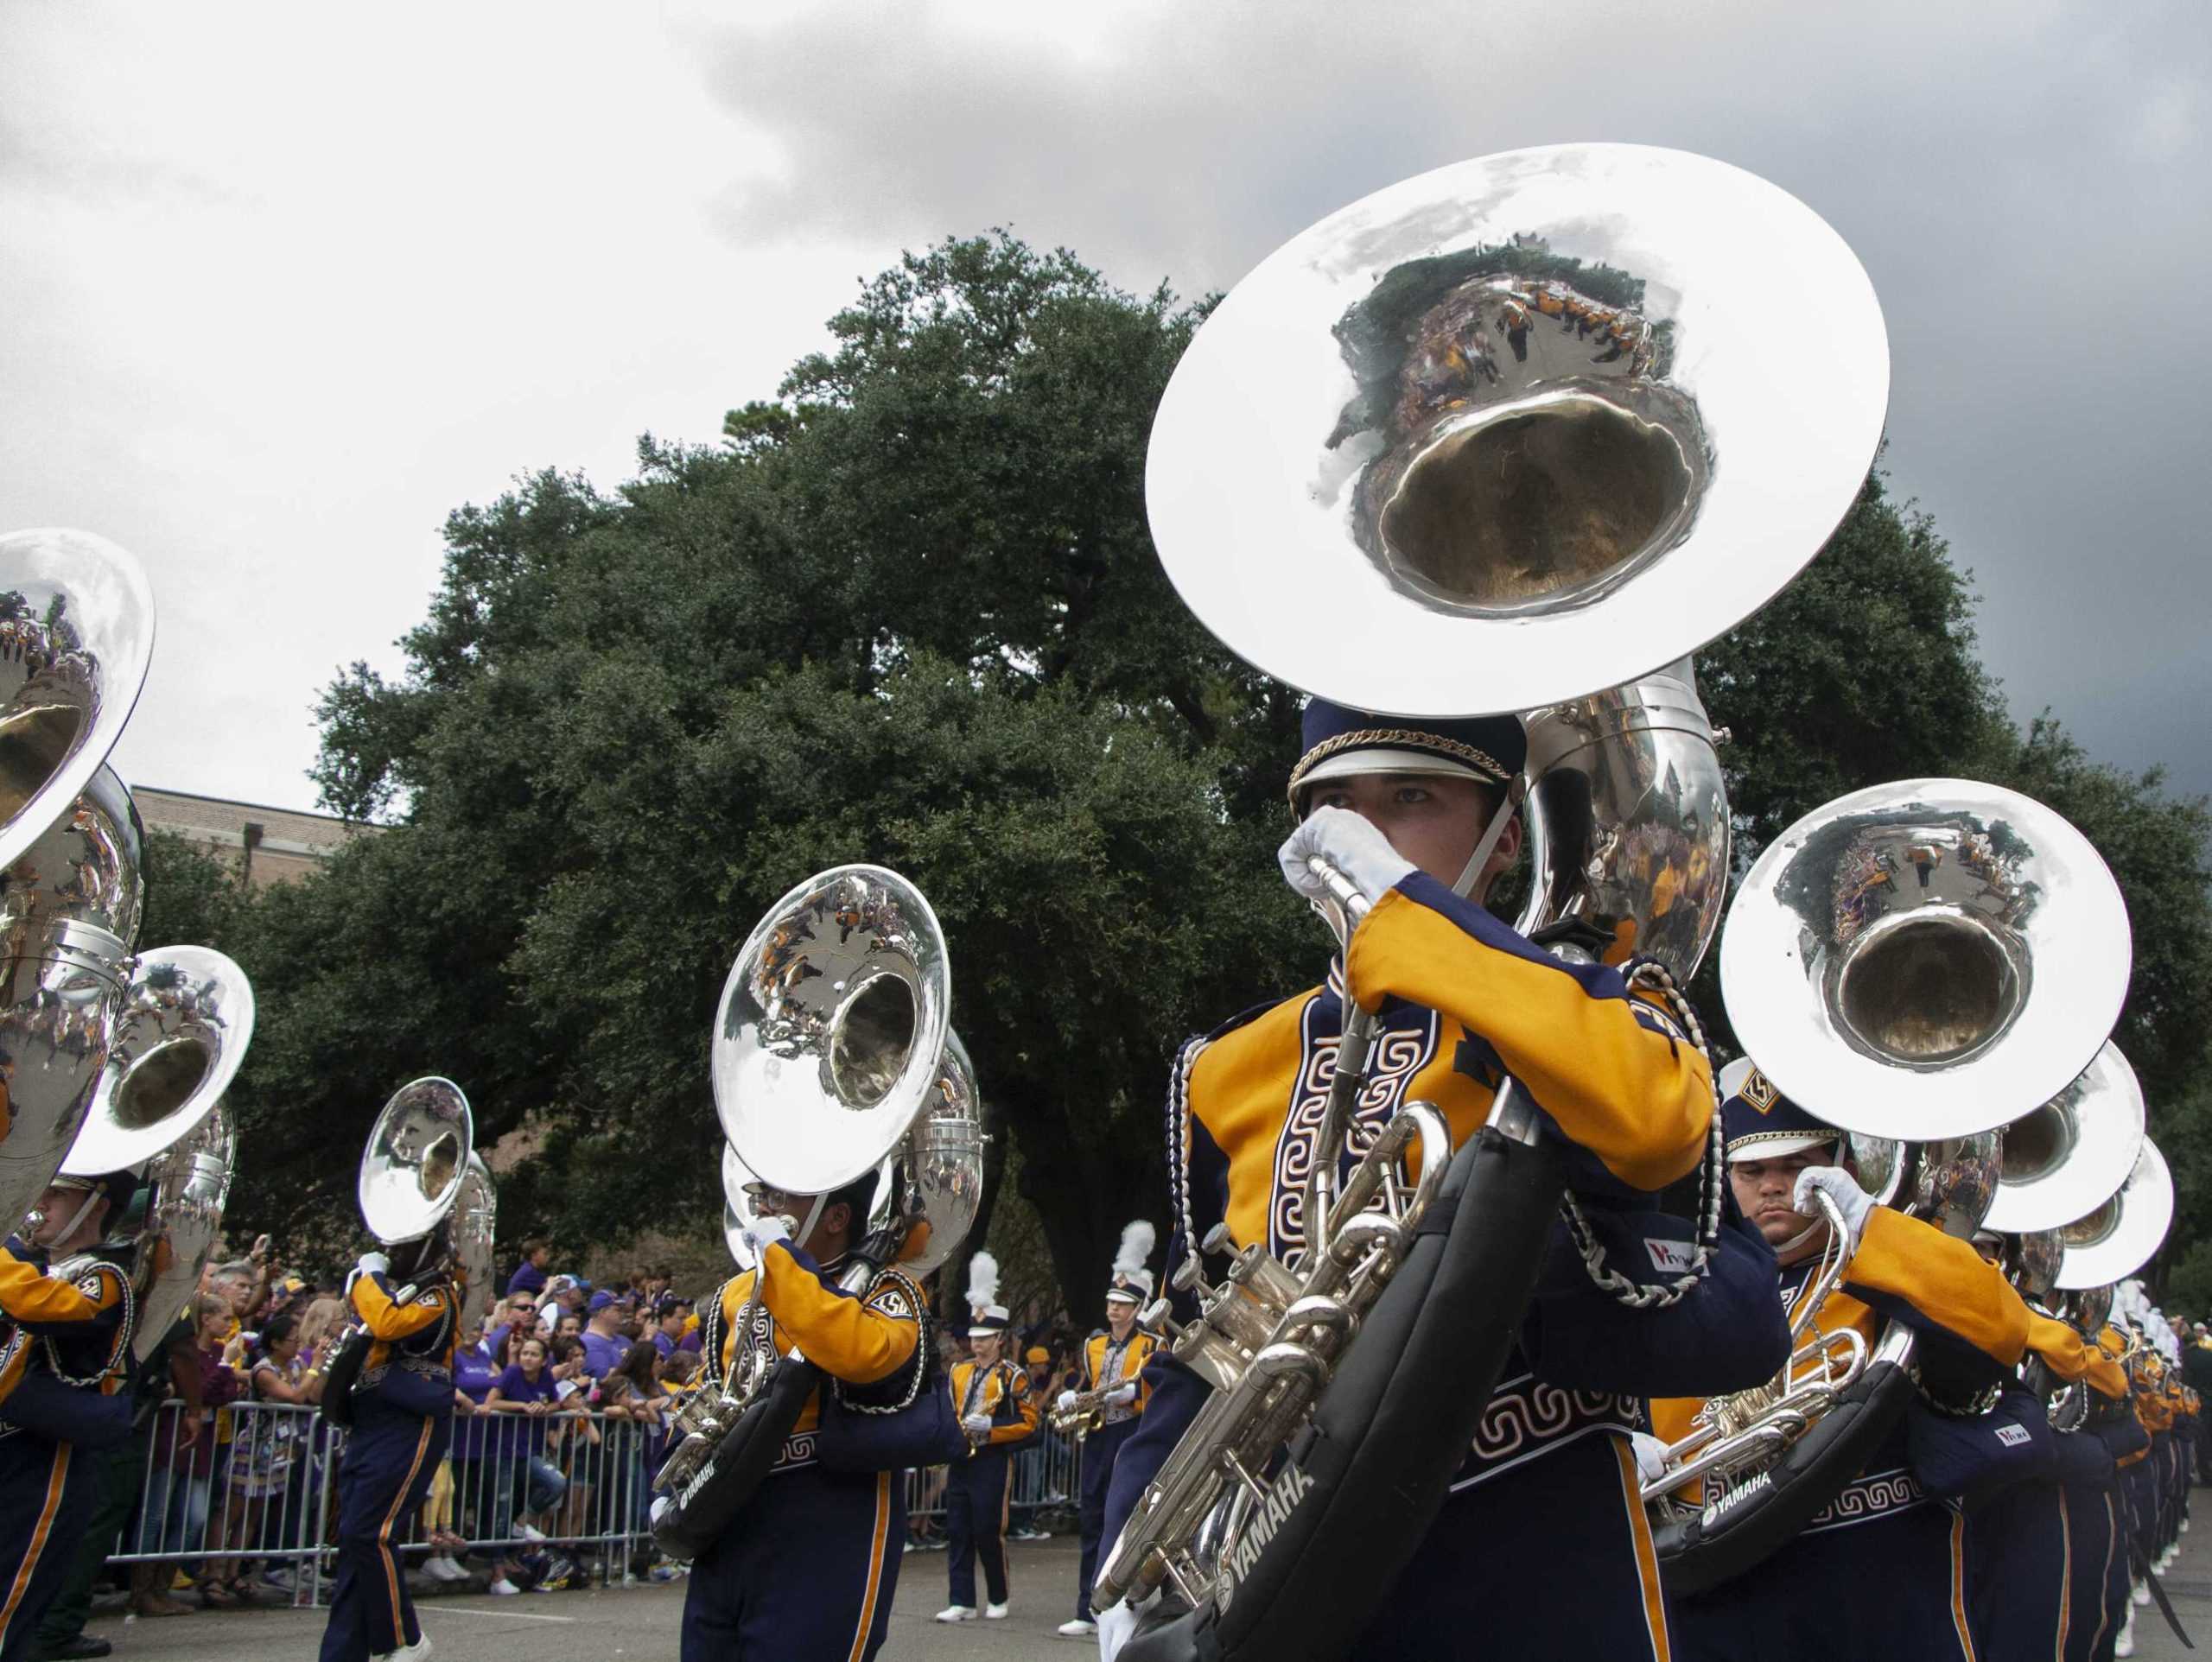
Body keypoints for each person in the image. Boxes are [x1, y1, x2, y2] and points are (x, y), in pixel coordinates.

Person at [1100, 703, 1783, 1660]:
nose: (1359, 835)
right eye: (1332, 803)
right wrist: (1129, 1544)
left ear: (1505, 834)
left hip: (1531, 1568)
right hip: (1274, 1580)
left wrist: (1485, 1272)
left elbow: (1745, 1318)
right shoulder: (1223, 1068)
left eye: (1410, 797)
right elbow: (1202, 1350)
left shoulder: (1591, 1014)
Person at [1657, 1069, 2037, 1662]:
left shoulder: (1883, 1268)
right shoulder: (1692, 1285)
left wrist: (1870, 1227)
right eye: (1751, 1171)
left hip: (1870, 1585)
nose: (1773, 1187)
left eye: (1795, 1165)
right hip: (1722, 1594)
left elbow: (2002, 1327)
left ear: (1841, 1166)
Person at [677, 1172, 922, 1662]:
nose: (764, 1206)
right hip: (732, 1513)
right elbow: (707, 1395)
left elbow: (856, 1351)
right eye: (764, 1194)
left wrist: (781, 1259)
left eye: (782, 1196)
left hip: (827, 1519)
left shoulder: (887, 1290)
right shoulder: (737, 1293)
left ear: (837, 1217)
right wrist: (674, 1483)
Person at [0, 1170, 138, 1660]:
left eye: (56, 1194)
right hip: (12, 1450)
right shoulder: (31, 1266)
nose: (40, 1201)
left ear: (96, 1205)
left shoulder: (105, 1276)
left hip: (47, 1464)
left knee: (7, 1608)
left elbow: (35, 1307)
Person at [315, 1230, 460, 1662]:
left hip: (408, 1420)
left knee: (371, 1534)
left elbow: (387, 1324)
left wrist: (369, 1279)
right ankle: (341, 1655)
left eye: (403, 1245)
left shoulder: (438, 1296)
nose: (391, 1252)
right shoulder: (402, 1294)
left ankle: (406, 1639)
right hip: (373, 1419)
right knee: (354, 1543)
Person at [1056, 1222, 1159, 1639]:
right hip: (1099, 1435)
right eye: (1111, 1302)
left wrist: (1135, 1397)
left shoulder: (1152, 1345)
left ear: (1136, 1307)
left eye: (1122, 1303)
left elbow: (1157, 1395)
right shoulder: (1093, 1345)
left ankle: (1126, 1604)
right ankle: (1087, 1606)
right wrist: (1071, 1396)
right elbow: (1088, 1383)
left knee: (1127, 1518)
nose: (1113, 1309)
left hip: (1132, 1434)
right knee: (1092, 1515)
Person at [938, 1293, 1039, 1624]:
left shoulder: (1013, 1375)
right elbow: (950, 1410)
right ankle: (961, 1600)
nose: (976, 1344)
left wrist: (993, 1426)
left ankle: (998, 1596)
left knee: (987, 1529)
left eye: (984, 1339)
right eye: (974, 1338)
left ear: (999, 1339)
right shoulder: (958, 1371)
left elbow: (1030, 1422)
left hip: (992, 1459)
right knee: (957, 1528)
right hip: (961, 1457)